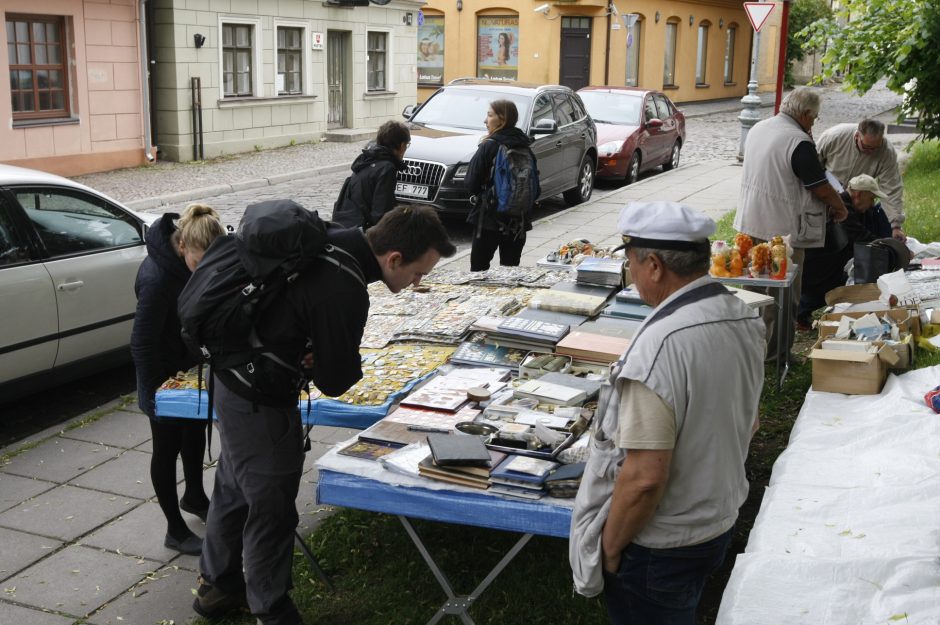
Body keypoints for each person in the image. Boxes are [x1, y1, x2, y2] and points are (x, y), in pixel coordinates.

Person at [193, 204, 456, 625]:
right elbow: (336, 380)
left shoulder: (331, 239)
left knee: (235, 483)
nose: (416, 284)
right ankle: (272, 608)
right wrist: (329, 358)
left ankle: (218, 586)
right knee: (271, 503)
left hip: (231, 375)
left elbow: (290, 308)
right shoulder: (346, 282)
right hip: (260, 398)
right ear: (394, 260)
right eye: (418, 273)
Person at [569, 201, 766, 625]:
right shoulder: (742, 316)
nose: (631, 276)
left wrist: (610, 547)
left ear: (654, 265)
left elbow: (644, 478)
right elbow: (748, 423)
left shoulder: (659, 348)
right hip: (716, 520)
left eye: (631, 264)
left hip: (663, 543)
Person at [131, 203, 226, 555]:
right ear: (183, 247)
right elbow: (141, 343)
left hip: (184, 364)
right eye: (201, 264)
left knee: (192, 434)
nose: (206, 271)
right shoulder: (157, 279)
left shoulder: (191, 253)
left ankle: (195, 496)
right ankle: (174, 528)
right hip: (159, 374)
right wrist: (157, 394)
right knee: (166, 447)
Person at [735, 86, 848, 362]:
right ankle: (777, 353)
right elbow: (819, 186)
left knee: (752, 291)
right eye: (814, 118)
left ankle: (748, 350)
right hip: (782, 233)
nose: (814, 123)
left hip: (751, 222)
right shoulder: (797, 141)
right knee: (783, 295)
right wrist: (840, 206)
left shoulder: (760, 128)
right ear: (806, 114)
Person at [797, 174, 893, 329]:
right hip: (819, 263)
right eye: (871, 198)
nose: (871, 204)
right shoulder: (842, 207)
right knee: (829, 287)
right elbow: (859, 235)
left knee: (837, 284)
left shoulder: (852, 205)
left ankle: (801, 313)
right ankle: (799, 314)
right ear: (858, 194)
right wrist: (888, 246)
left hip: (829, 260)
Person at [465, 99, 537, 271]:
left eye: (489, 115)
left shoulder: (489, 146)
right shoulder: (525, 146)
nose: (485, 120)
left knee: (479, 271)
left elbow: (470, 183)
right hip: (517, 223)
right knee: (510, 272)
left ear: (502, 119)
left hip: (489, 219)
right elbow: (536, 186)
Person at [816, 119, 906, 241]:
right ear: (857, 135)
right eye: (867, 147)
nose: (870, 152)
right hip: (828, 189)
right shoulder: (835, 136)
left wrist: (895, 226)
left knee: (853, 233)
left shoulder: (886, 152)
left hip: (857, 198)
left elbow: (892, 188)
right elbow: (813, 166)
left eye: (875, 148)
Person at [332, 120, 410, 230]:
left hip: (345, 224)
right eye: (407, 145)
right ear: (402, 146)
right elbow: (381, 214)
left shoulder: (366, 160)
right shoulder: (387, 168)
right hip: (360, 231)